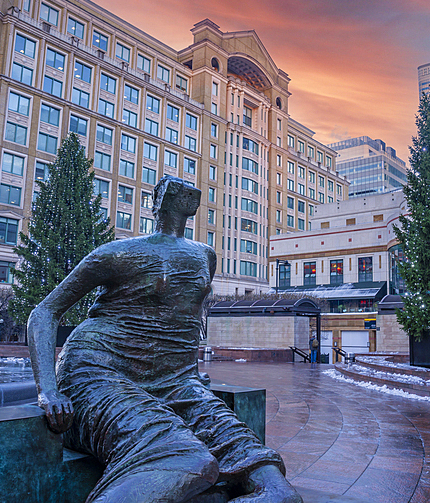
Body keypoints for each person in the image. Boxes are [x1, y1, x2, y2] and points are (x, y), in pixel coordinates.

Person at [28, 176, 301, 503]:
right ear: (155, 203)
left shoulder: (204, 256)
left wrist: (191, 372)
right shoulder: (118, 253)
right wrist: (48, 389)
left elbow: (186, 317)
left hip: (176, 383)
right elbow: (44, 313)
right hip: (97, 374)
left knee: (278, 492)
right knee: (186, 461)